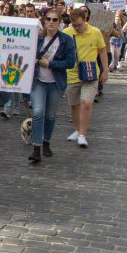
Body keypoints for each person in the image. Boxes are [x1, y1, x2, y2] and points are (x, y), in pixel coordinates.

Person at [28, 11, 75, 162]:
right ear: (44, 21)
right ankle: (36, 148)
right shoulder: (37, 38)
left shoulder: (66, 40)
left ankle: (46, 142)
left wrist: (50, 64)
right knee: (38, 112)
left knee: (50, 115)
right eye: (48, 19)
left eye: (55, 20)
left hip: (55, 82)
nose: (51, 22)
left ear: (59, 22)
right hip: (38, 81)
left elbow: (70, 62)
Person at [63, 8, 108, 148]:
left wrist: (105, 70)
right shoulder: (66, 33)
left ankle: (82, 134)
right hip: (71, 74)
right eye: (73, 25)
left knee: (86, 103)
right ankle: (76, 130)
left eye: (79, 25)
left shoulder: (95, 32)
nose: (76, 28)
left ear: (85, 20)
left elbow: (102, 51)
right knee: (74, 105)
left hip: (90, 74)